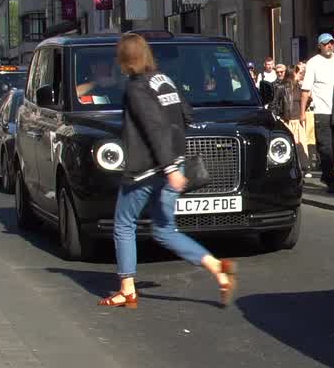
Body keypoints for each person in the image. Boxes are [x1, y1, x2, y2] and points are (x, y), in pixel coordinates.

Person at [99, 31, 237, 311]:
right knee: (164, 229)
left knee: (124, 224)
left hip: (147, 169)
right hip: (173, 162)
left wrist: (169, 166)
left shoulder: (137, 87)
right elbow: (186, 114)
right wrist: (174, 159)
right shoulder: (164, 80)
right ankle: (217, 267)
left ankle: (127, 290)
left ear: (125, 60)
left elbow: (154, 127)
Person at [301, 34, 334, 194]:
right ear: (319, 46)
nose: (329, 46)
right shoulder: (313, 63)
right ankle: (331, 181)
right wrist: (302, 113)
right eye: (325, 44)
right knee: (325, 148)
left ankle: (327, 174)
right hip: (322, 112)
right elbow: (305, 90)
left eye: (331, 43)